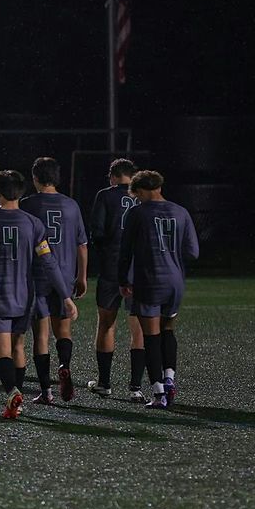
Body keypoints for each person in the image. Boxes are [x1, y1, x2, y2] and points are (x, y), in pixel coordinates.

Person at [0, 170, 77, 419]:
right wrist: (66, 296)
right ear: (21, 192)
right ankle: (17, 397)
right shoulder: (33, 223)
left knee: (2, 351)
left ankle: (13, 393)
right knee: (18, 347)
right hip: (24, 294)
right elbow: (49, 262)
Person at [118, 170, 199, 410]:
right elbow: (193, 252)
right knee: (168, 330)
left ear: (141, 191)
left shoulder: (137, 213)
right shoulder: (181, 211)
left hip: (149, 280)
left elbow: (125, 252)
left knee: (150, 338)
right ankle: (170, 378)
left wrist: (124, 280)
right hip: (175, 282)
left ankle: (159, 393)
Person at [20, 157, 89, 403]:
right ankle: (65, 364)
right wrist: (81, 277)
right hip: (65, 274)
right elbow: (82, 245)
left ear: (35, 178)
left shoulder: (27, 204)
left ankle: (46, 391)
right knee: (63, 330)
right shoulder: (71, 205)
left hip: (37, 275)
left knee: (41, 336)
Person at [86, 158, 146, 401]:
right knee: (140, 328)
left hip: (112, 268)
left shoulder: (105, 195)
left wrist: (106, 255)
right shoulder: (144, 196)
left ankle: (105, 383)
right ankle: (135, 388)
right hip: (138, 269)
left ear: (112, 177)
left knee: (106, 323)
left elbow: (97, 233)